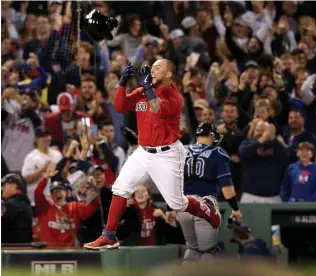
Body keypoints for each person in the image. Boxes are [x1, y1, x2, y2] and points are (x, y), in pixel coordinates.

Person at [84, 59, 221, 250]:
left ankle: (206, 209)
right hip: (143, 151)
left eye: (158, 67)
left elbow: (157, 107)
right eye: (153, 66)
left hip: (167, 154)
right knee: (120, 188)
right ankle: (109, 235)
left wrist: (147, 88)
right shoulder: (142, 91)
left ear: (169, 75)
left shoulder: (173, 95)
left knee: (177, 203)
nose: (153, 70)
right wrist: (122, 83)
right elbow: (120, 106)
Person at [178, 122, 241, 262]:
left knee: (192, 249)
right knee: (208, 251)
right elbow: (226, 187)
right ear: (211, 136)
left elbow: (171, 181)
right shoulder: (217, 153)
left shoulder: (182, 150)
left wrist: (171, 207)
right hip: (204, 204)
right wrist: (235, 209)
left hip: (183, 205)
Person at [1, 173, 33, 244]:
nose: (2, 188)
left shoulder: (11, 204)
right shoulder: (24, 202)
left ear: (13, 186)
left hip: (12, 250)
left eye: (4, 185)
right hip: (23, 249)